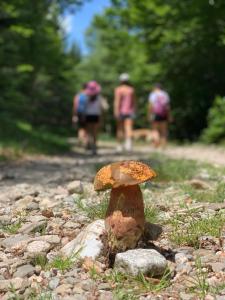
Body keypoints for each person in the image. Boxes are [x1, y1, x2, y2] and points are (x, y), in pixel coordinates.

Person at [114, 73, 136, 152]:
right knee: (129, 127)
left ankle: (119, 145)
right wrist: (134, 110)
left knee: (120, 128)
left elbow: (117, 102)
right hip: (130, 111)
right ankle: (128, 144)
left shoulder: (118, 89)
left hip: (121, 111)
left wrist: (116, 111)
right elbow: (134, 102)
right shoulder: (131, 90)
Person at [148, 83, 171, 148]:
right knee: (164, 130)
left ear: (155, 87)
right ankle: (164, 144)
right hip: (163, 114)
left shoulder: (153, 94)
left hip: (155, 113)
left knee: (155, 129)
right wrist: (169, 115)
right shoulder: (165, 94)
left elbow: (150, 106)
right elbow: (167, 107)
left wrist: (149, 114)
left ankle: (156, 143)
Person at [85, 81, 103, 155]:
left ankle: (89, 145)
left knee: (89, 132)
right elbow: (101, 108)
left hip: (88, 115)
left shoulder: (86, 97)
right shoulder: (99, 97)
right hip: (96, 116)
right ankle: (94, 147)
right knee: (95, 133)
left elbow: (84, 107)